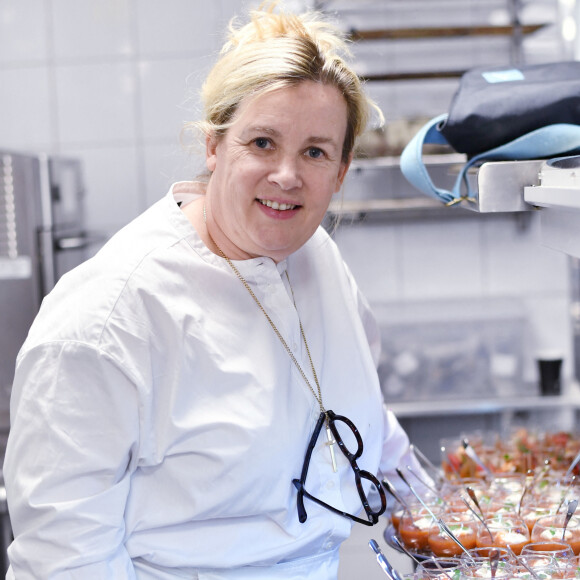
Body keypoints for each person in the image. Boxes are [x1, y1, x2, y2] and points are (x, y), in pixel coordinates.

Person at [3, 3, 430, 579]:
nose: (287, 175)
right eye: (261, 143)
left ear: (341, 170)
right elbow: (63, 559)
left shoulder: (317, 258)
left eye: (314, 152)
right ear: (213, 145)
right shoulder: (109, 315)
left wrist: (449, 519)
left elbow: (359, 413)